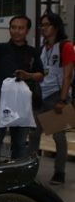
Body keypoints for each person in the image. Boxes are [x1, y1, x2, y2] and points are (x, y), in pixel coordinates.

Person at [0, 16, 44, 159]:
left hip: (22, 105)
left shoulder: (33, 52)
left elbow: (41, 75)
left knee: (19, 145)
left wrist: (28, 75)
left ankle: (16, 172)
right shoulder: (0, 48)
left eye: (20, 28)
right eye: (13, 27)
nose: (16, 31)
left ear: (27, 30)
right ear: (9, 28)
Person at [28, 12, 75, 184]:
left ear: (56, 26)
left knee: (58, 136)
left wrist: (62, 100)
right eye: (42, 25)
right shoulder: (41, 48)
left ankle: (59, 172)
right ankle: (30, 170)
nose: (43, 28)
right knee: (33, 136)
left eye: (46, 24)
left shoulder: (65, 46)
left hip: (56, 96)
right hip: (40, 95)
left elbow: (68, 75)